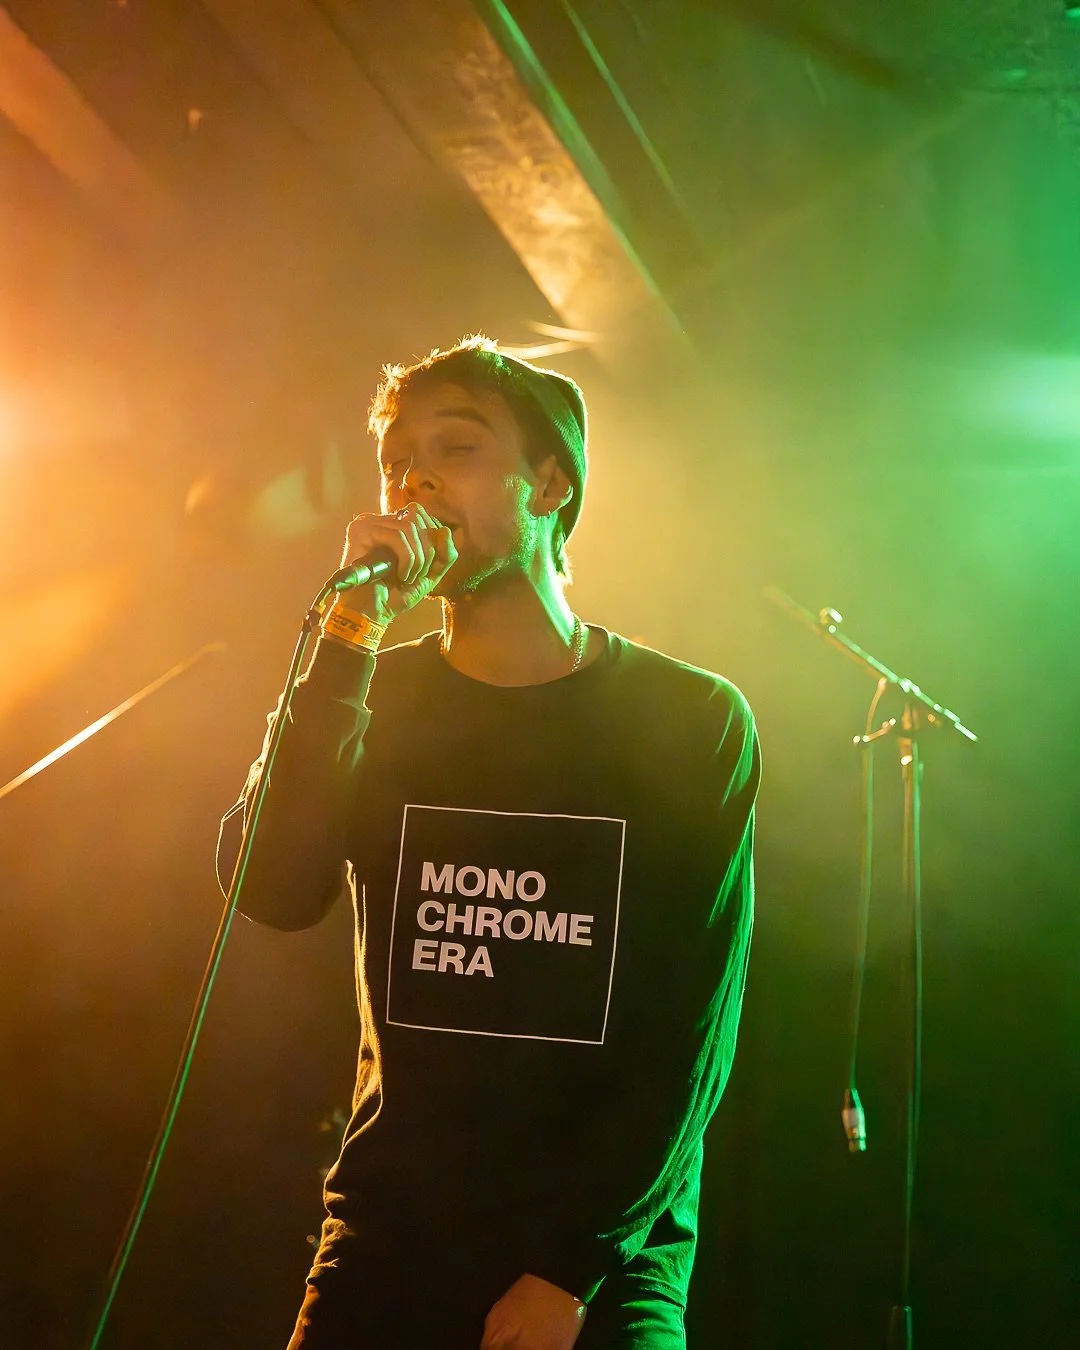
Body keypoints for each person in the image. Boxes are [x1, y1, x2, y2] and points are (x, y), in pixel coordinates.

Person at [234, 336, 760, 1349]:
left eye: (459, 447)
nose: (417, 478)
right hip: (392, 1236)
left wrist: (570, 1265)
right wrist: (346, 643)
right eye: (398, 460)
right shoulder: (378, 698)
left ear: (552, 482)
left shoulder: (689, 719)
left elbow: (689, 1030)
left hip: (602, 1256)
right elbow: (274, 887)